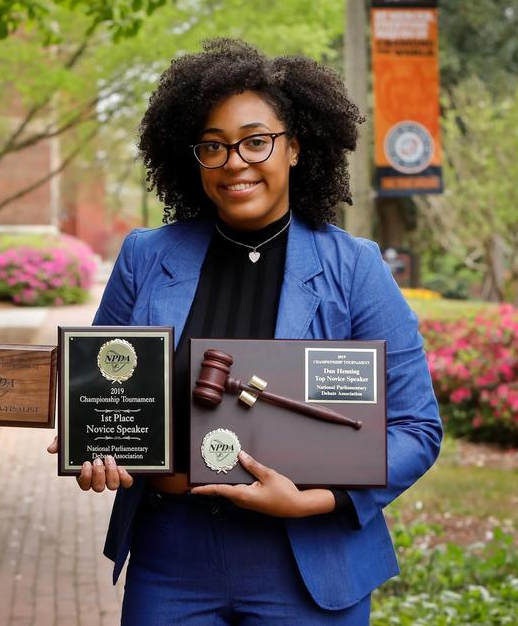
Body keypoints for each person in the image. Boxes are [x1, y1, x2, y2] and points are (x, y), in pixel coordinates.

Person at [53, 38, 442, 625]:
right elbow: (104, 399)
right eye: (213, 146)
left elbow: (416, 428)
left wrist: (319, 498)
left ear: (295, 148)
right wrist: (97, 446)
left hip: (308, 557)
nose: (235, 161)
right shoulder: (144, 257)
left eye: (256, 141)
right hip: (172, 557)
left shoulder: (355, 268)